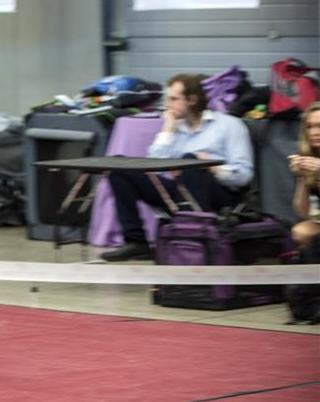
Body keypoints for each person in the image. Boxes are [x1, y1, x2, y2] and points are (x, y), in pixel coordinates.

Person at [102, 74, 255, 262]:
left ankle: (196, 236)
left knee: (190, 160)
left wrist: (211, 167)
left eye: (173, 99)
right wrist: (167, 129)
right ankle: (136, 242)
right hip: (179, 189)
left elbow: (244, 175)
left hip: (219, 192)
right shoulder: (175, 127)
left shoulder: (229, 125)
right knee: (119, 168)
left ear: (192, 100)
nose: (167, 104)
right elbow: (154, 167)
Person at [289, 102, 320, 249]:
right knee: (300, 232)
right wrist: (302, 178)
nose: (314, 132)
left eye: (319, 126)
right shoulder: (311, 156)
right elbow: (303, 212)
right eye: (309, 127)